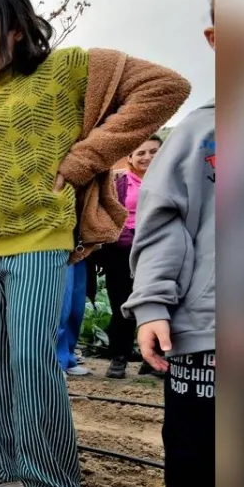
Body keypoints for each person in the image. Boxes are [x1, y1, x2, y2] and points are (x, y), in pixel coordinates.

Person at [0, 0, 190, 487]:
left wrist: (85, 158)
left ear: (16, 30)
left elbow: (167, 87)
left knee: (31, 357)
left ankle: (56, 485)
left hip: (39, 238)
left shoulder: (71, 68)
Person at [123, 0, 215, 487]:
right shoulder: (199, 134)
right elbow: (165, 226)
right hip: (208, 323)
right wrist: (153, 304)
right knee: (194, 434)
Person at [97, 135, 163, 379]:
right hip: (122, 252)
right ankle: (119, 357)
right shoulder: (119, 182)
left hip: (156, 252)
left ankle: (153, 359)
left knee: (156, 302)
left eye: (153, 151)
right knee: (121, 305)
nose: (147, 157)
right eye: (141, 153)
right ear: (130, 158)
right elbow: (109, 214)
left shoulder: (170, 180)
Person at [56, 259, 90, 376]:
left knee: (76, 305)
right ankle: (57, 361)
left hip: (81, 247)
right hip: (59, 246)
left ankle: (69, 357)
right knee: (62, 303)